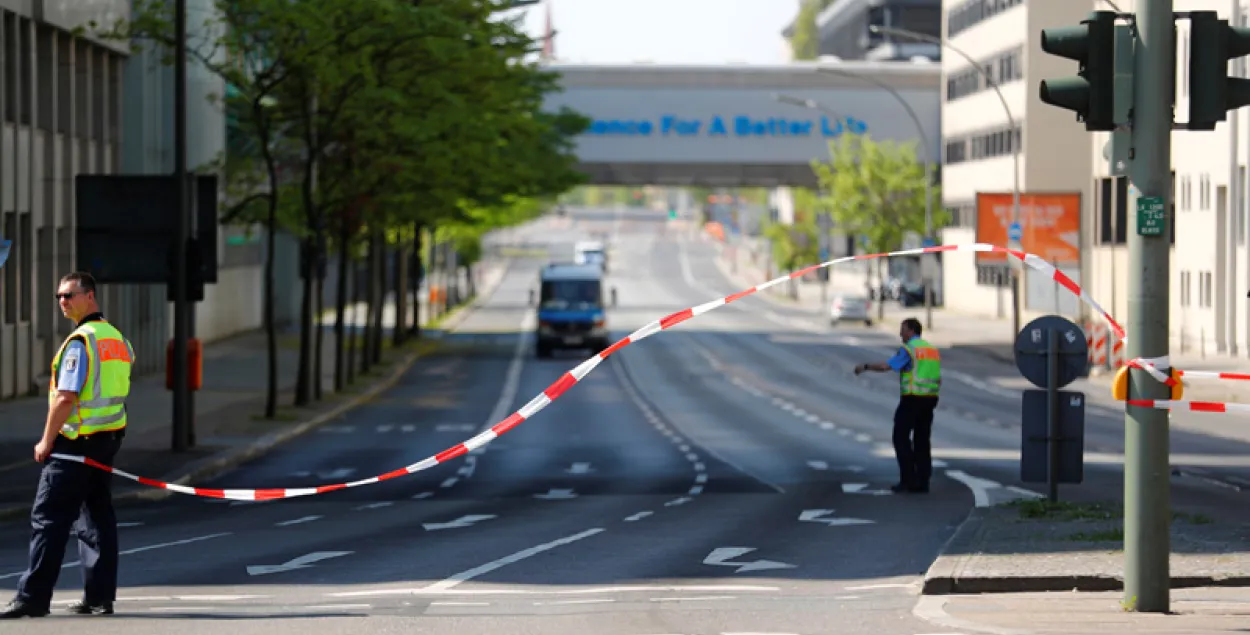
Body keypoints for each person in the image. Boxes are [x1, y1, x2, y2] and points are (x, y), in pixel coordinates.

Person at [1, 272, 133, 619]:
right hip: (107, 441)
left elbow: (65, 398)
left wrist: (46, 439)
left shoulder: (81, 342)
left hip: (74, 444)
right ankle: (99, 598)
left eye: (69, 295)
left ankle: (33, 596)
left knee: (49, 520)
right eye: (59, 296)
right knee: (96, 518)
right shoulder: (116, 338)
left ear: (90, 296)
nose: (62, 302)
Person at [853, 317, 940, 494]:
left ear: (911, 331)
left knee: (900, 437)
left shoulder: (909, 350)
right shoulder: (931, 350)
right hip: (930, 398)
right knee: (922, 440)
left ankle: (909, 480)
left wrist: (866, 366)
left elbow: (886, 366)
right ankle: (923, 481)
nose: (900, 334)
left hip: (912, 398)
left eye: (903, 330)